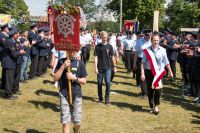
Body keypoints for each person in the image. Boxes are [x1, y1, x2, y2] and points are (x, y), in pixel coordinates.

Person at [53, 50, 87, 133]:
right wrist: (63, 66)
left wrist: (74, 78)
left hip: (77, 94)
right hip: (64, 94)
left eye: (74, 50)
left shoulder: (80, 63)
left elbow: (84, 81)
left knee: (77, 121)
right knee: (65, 122)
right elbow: (55, 78)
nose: (72, 52)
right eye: (70, 50)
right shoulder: (61, 61)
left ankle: (76, 130)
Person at [141, 33, 173, 115]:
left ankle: (156, 105)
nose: (156, 42)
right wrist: (142, 73)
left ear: (159, 40)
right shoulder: (147, 50)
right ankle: (151, 106)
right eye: (154, 40)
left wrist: (170, 71)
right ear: (151, 41)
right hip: (149, 72)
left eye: (157, 40)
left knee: (158, 90)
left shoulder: (163, 50)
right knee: (150, 90)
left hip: (159, 72)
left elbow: (166, 62)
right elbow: (143, 62)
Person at [2, 27, 25, 99]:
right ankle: (8, 95)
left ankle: (9, 92)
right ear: (13, 35)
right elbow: (14, 54)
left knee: (10, 79)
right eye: (16, 34)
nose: (17, 35)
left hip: (10, 63)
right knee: (9, 80)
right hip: (9, 63)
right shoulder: (10, 41)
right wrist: (20, 52)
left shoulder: (12, 40)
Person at [94, 31, 117, 104]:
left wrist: (115, 66)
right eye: (103, 37)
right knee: (99, 83)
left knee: (107, 82)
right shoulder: (97, 46)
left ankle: (107, 98)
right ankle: (100, 98)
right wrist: (96, 68)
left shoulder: (110, 46)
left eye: (106, 37)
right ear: (101, 37)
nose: (105, 39)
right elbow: (96, 57)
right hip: (100, 67)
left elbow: (112, 57)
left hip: (108, 67)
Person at [133, 30, 152, 98]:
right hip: (141, 60)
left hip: (150, 60)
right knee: (142, 76)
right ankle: (144, 93)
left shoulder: (153, 41)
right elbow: (136, 53)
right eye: (146, 35)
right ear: (144, 35)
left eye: (149, 35)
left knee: (149, 76)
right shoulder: (139, 41)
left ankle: (149, 91)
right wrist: (134, 63)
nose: (148, 36)